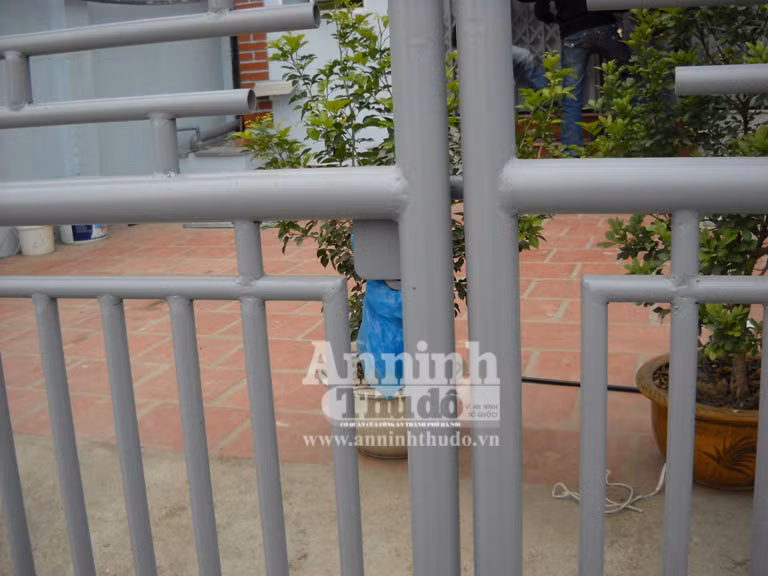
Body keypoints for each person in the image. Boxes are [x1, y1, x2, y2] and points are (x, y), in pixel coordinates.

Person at [533, 0, 629, 147]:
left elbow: (541, 11)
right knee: (626, 79)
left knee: (571, 94)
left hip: (572, 30)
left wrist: (559, 18)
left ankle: (572, 148)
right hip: (603, 24)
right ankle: (627, 136)